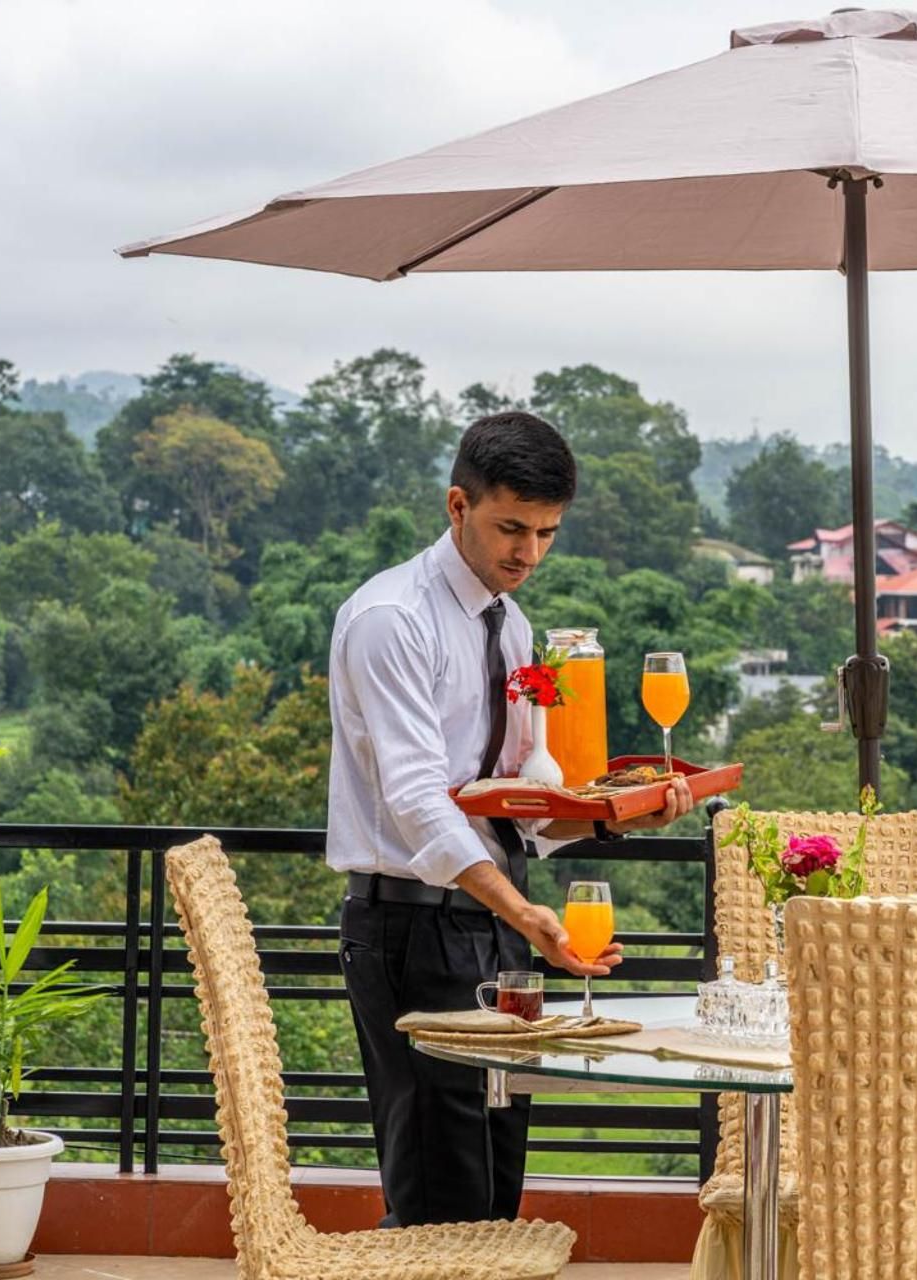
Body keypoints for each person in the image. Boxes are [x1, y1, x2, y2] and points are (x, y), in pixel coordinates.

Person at [325, 410, 694, 1227]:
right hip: (414, 929)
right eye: (511, 528)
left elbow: (518, 807)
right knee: (439, 1193)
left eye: (548, 533)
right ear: (457, 507)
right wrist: (527, 913)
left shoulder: (512, 623)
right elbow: (418, 800)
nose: (529, 553)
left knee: (495, 1180)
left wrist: (617, 819)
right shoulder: (394, 620)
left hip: (494, 920)